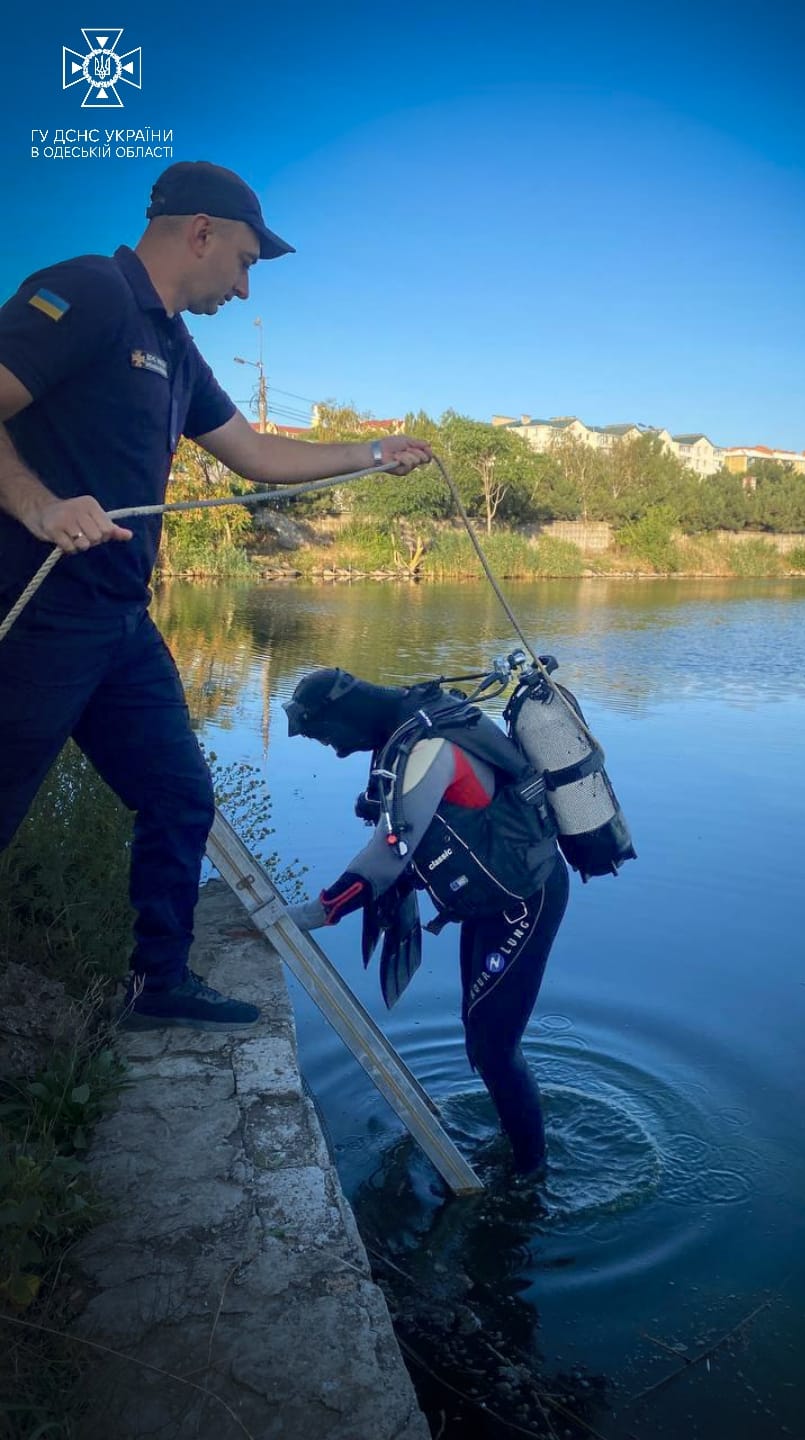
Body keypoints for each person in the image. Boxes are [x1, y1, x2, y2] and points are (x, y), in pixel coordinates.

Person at [0, 160, 433, 1029]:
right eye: (241, 261)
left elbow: (258, 455)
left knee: (180, 796)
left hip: (119, 624)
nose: (243, 285)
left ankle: (156, 986)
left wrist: (372, 453)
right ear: (199, 231)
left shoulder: (172, 346)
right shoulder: (85, 293)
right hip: (39, 618)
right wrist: (38, 503)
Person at [283, 667, 570, 1177]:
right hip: (494, 899)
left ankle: (532, 1174)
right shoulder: (407, 732)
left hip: (526, 897)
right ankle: (515, 1144)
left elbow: (387, 858)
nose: (333, 748)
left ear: (344, 715)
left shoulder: (426, 748)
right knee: (482, 1038)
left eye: (326, 734)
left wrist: (315, 913)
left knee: (495, 1046)